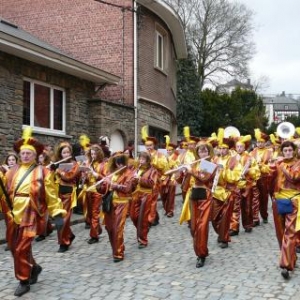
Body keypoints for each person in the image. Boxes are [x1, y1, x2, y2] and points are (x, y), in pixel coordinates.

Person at [0, 127, 66, 297]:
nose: (25, 156)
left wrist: (57, 214)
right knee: (15, 247)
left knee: (21, 248)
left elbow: (51, 194)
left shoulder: (43, 172)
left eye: (28, 153)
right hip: (14, 212)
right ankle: (34, 268)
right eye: (22, 154)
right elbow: (4, 192)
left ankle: (23, 280)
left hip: (31, 211)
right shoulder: (11, 172)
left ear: (35, 155)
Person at [180, 141, 217, 268]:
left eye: (205, 151)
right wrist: (183, 172)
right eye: (201, 151)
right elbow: (184, 182)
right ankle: (199, 251)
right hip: (194, 195)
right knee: (194, 227)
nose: (203, 153)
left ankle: (201, 255)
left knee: (202, 226)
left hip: (205, 196)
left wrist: (191, 171)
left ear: (208, 152)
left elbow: (204, 177)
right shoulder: (194, 163)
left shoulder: (210, 164)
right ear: (197, 152)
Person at [269, 140, 300, 279]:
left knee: (290, 233)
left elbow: (294, 177)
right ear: (282, 151)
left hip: (293, 201)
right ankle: (291, 257)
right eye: (285, 150)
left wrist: (282, 165)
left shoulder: (297, 163)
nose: (288, 152)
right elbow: (268, 174)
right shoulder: (279, 163)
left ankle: (286, 266)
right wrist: (265, 166)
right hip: (279, 201)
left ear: (294, 151)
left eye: (290, 150)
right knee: (281, 233)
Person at [99, 153, 135, 262]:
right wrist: (99, 186)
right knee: (109, 228)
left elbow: (127, 188)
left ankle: (118, 253)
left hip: (122, 203)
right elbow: (104, 189)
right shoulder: (111, 173)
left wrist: (112, 184)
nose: (119, 165)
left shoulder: (129, 173)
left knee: (118, 228)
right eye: (117, 163)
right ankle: (116, 249)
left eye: (121, 163)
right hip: (110, 203)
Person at [211, 128, 242, 249]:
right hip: (215, 193)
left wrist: (223, 171)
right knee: (213, 218)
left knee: (224, 218)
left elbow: (236, 176)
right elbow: (207, 174)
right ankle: (220, 233)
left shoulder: (234, 161)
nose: (222, 150)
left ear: (228, 149)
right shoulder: (214, 159)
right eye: (220, 148)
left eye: (224, 148)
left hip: (227, 193)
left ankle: (224, 238)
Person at [229, 135, 261, 235]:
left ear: (244, 147)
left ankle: (248, 225)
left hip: (247, 185)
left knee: (247, 206)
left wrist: (249, 170)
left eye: (241, 147)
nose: (239, 148)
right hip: (236, 186)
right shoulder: (232, 158)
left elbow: (257, 171)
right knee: (235, 207)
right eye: (237, 147)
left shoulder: (249, 158)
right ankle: (234, 227)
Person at [53, 141, 80, 252]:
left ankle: (64, 243)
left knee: (64, 219)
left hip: (68, 193)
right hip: (57, 192)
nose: (66, 154)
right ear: (61, 154)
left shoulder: (75, 164)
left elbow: (69, 177)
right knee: (59, 217)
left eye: (68, 152)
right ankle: (69, 235)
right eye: (64, 153)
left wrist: (58, 171)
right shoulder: (57, 163)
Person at [141, 126, 168, 227]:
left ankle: (150, 219)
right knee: (149, 201)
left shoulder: (159, 155)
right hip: (145, 181)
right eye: (146, 145)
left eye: (150, 145)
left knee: (152, 200)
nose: (148, 147)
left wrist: (153, 161)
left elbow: (164, 166)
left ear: (154, 145)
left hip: (155, 181)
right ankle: (154, 217)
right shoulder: (143, 154)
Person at [130, 151, 158, 248]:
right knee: (133, 216)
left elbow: (151, 183)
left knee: (142, 218)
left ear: (147, 160)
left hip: (146, 196)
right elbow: (133, 183)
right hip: (136, 195)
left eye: (143, 159)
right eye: (140, 159)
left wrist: (140, 179)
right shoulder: (137, 169)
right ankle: (143, 229)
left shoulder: (153, 171)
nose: (141, 161)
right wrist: (133, 181)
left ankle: (143, 240)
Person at [83, 144, 106, 244]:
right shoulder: (89, 163)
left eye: (94, 154)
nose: (93, 156)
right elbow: (87, 179)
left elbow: (105, 179)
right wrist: (84, 174)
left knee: (95, 213)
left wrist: (96, 175)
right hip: (89, 190)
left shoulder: (103, 165)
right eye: (91, 154)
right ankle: (98, 229)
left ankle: (94, 236)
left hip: (97, 191)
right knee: (90, 213)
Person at [250, 129, 273, 225]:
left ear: (265, 143)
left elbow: (271, 166)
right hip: (254, 178)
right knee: (254, 198)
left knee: (264, 198)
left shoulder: (269, 152)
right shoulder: (252, 152)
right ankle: (255, 218)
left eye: (261, 142)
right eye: (258, 142)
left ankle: (264, 215)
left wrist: (262, 166)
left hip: (265, 178)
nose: (259, 144)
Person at [35, 150, 54, 242]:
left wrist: (49, 169)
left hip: (45, 192)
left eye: (42, 157)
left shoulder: (48, 168)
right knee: (39, 212)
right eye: (39, 157)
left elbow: (50, 180)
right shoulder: (36, 167)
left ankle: (41, 233)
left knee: (42, 212)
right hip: (37, 192)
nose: (40, 159)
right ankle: (49, 228)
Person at [160, 136, 179, 218]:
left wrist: (173, 178)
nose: (168, 151)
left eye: (170, 150)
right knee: (163, 194)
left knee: (171, 195)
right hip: (164, 177)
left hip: (172, 177)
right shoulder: (164, 157)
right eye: (167, 150)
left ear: (173, 150)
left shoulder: (176, 158)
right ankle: (166, 209)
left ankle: (170, 211)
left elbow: (177, 168)